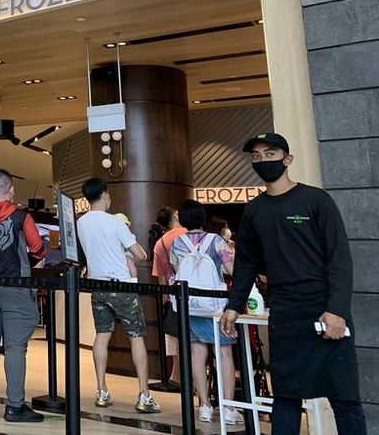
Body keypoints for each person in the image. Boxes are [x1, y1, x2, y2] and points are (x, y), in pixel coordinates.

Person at [221, 133, 365, 435]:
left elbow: (340, 259)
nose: (263, 161)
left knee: (344, 397)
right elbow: (246, 262)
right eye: (257, 156)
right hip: (285, 314)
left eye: (270, 154)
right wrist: (233, 307)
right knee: (285, 397)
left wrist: (336, 310)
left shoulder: (316, 200)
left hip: (325, 312)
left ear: (287, 159)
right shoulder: (254, 211)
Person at [76, 178, 159, 413]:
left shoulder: (81, 223)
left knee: (102, 335)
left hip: (97, 286)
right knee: (136, 336)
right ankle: (144, 395)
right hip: (120, 286)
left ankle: (102, 391)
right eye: (108, 194)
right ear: (104, 194)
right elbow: (139, 254)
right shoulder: (114, 222)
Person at [0, 169, 47, 423]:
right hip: (15, 289)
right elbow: (38, 250)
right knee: (15, 347)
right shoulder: (21, 216)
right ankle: (15, 406)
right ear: (11, 189)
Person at [169, 200, 244, 426]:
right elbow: (233, 270)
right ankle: (229, 408)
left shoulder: (177, 243)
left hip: (189, 305)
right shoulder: (217, 241)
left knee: (197, 354)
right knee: (224, 354)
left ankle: (204, 407)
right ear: (203, 218)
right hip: (215, 307)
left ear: (181, 220)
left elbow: (175, 271)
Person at [151, 205, 186, 387]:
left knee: (174, 336)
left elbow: (161, 274)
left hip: (173, 292)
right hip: (196, 289)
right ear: (175, 217)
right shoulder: (189, 233)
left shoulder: (160, 243)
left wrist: (165, 294)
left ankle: (177, 374)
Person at [113, 213, 138, 281]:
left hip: (127, 254)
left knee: (130, 263)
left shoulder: (130, 236)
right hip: (119, 256)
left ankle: (134, 279)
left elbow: (129, 247)